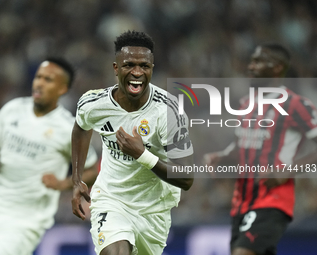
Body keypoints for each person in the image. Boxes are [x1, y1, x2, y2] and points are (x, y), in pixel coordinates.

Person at [71, 30, 194, 255]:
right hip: (111, 199)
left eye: (144, 66)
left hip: (153, 210)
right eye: (129, 65)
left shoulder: (169, 111)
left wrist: (142, 155)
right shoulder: (93, 103)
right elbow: (81, 127)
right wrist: (77, 179)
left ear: (152, 69)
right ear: (116, 68)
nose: (137, 72)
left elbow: (186, 178)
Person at [0, 57, 98, 255]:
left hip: (26, 220)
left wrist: (62, 184)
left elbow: (91, 171)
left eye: (48, 79)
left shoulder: (68, 128)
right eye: (38, 77)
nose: (39, 83)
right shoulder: (12, 109)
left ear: (62, 89)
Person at [204, 43, 317, 255]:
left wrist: (287, 171)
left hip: (272, 199)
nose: (251, 66)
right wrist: (223, 156)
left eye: (258, 61)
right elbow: (244, 144)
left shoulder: (294, 104)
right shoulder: (247, 103)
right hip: (242, 199)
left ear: (277, 67)